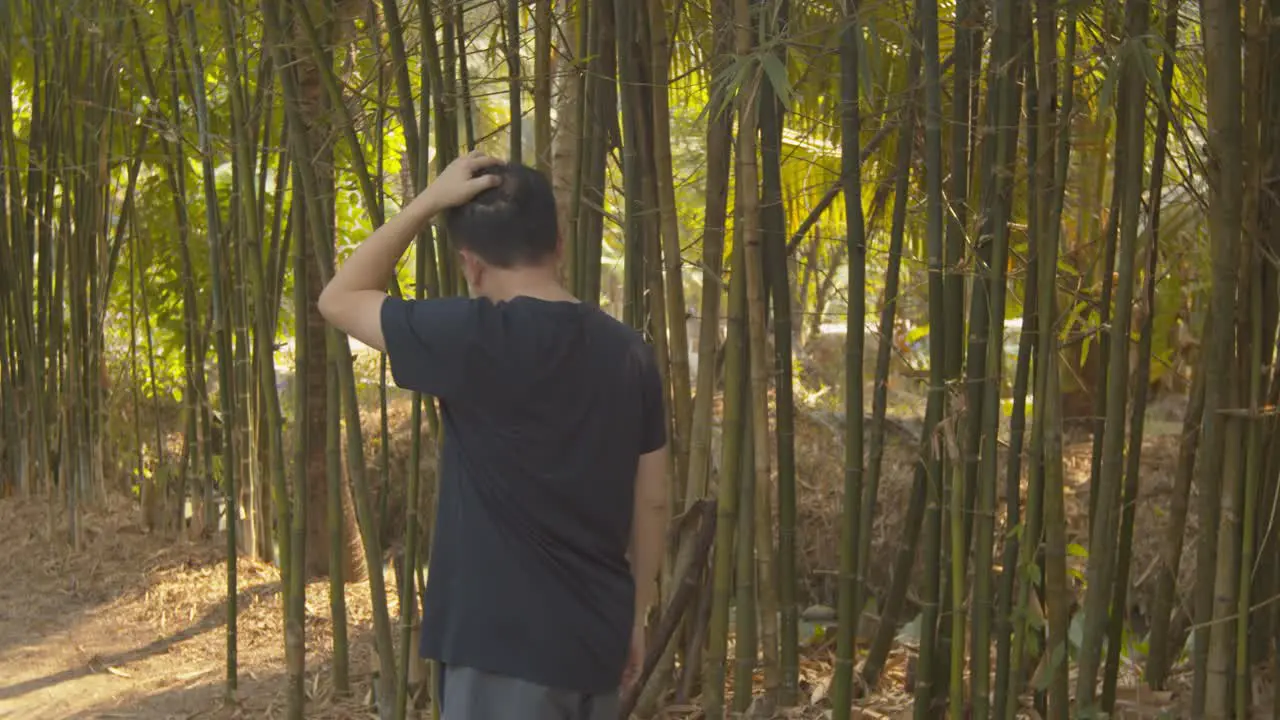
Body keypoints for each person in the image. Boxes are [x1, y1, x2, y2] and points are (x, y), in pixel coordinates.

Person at [317, 150, 670, 720]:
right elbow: (653, 497)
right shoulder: (629, 353)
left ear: (471, 265)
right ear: (559, 243)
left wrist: (428, 201)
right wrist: (637, 615)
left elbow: (339, 297)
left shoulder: (467, 337)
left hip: (499, 648)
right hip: (596, 641)